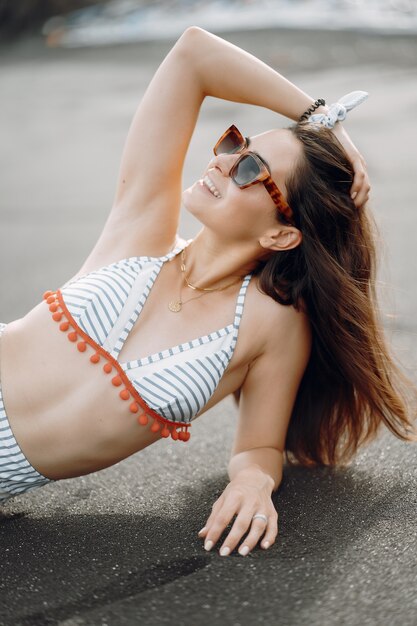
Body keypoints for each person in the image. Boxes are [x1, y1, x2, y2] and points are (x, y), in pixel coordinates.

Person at [0, 27, 415, 559]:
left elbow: (259, 446)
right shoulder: (141, 231)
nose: (221, 160)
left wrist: (252, 483)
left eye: (250, 168)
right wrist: (323, 121)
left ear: (282, 235)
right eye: (236, 144)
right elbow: (194, 54)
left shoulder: (270, 325)